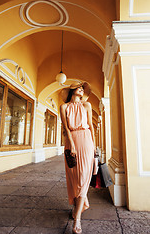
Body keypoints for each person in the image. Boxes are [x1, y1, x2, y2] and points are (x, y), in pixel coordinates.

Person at [60, 81, 95, 234]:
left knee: (82, 177)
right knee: (74, 178)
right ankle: (79, 206)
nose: (81, 90)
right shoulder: (64, 107)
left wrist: (94, 147)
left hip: (86, 140)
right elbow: (66, 127)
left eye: (82, 88)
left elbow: (91, 126)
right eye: (79, 88)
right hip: (71, 141)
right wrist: (72, 144)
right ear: (72, 90)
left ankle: (77, 220)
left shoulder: (87, 106)